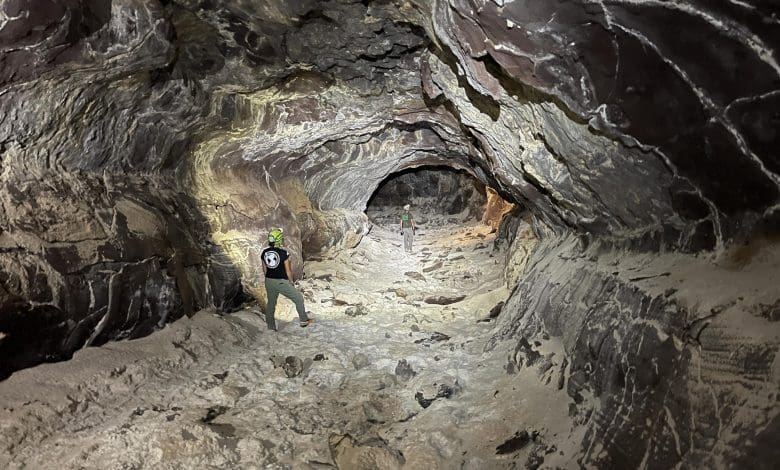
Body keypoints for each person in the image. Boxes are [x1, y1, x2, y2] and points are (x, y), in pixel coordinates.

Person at [261, 228, 313, 330]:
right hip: (281, 282)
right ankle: (303, 321)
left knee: (271, 303)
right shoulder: (284, 253)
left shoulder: (264, 252)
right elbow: (288, 270)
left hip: (269, 281)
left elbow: (264, 270)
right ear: (279, 239)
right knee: (298, 298)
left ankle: (271, 327)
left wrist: (271, 278)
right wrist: (291, 282)